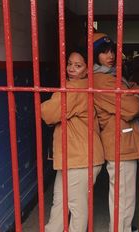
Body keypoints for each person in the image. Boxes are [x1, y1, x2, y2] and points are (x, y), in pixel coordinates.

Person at [42, 48, 104, 232]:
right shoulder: (79, 88)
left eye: (78, 65)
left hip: (81, 158)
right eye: (69, 63)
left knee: (76, 206)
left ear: (87, 70)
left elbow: (48, 113)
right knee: (60, 201)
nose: (71, 68)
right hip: (76, 157)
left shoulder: (75, 89)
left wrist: (47, 103)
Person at [93, 33, 139, 232]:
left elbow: (131, 90)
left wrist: (131, 91)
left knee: (124, 194)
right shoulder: (103, 80)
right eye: (104, 52)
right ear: (94, 55)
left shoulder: (112, 75)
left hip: (122, 139)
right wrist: (136, 96)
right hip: (120, 142)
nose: (110, 55)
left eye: (112, 51)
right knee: (123, 196)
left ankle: (124, 227)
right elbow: (131, 108)